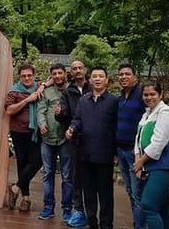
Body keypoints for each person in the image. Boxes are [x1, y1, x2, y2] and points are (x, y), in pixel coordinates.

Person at [66, 66, 119, 229]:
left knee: (105, 192)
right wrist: (72, 128)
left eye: (101, 76)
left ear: (107, 81)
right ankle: (92, 222)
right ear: (90, 80)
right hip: (85, 153)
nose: (97, 79)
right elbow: (77, 119)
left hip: (105, 154)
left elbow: (117, 126)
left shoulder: (114, 101)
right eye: (94, 76)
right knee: (88, 192)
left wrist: (115, 152)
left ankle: (106, 224)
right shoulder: (84, 100)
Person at [133, 81, 169, 229]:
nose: (149, 97)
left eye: (153, 94)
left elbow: (159, 142)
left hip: (163, 166)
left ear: (160, 94)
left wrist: (140, 162)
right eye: (146, 94)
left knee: (149, 205)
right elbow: (138, 140)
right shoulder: (147, 114)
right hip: (149, 167)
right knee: (163, 209)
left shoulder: (166, 112)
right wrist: (137, 160)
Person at [5, 63, 45, 212]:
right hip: (18, 133)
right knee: (22, 164)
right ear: (19, 77)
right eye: (23, 76)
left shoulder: (40, 88)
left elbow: (52, 80)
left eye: (29, 75)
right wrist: (27, 100)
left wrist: (42, 86)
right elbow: (9, 110)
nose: (27, 78)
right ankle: (26, 199)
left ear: (33, 76)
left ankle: (15, 188)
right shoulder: (14, 91)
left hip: (35, 132)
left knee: (36, 161)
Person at [56, 59, 90, 227]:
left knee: (91, 177)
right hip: (74, 139)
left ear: (85, 70)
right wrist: (59, 113)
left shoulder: (94, 88)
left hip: (93, 139)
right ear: (71, 72)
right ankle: (78, 209)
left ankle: (92, 211)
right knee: (75, 175)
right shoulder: (68, 92)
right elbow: (64, 113)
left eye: (80, 68)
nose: (77, 71)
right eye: (74, 68)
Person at [36, 63, 72, 222]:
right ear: (51, 76)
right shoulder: (46, 92)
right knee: (48, 173)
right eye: (54, 74)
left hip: (65, 139)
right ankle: (48, 207)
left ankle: (67, 208)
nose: (58, 76)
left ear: (65, 74)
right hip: (47, 139)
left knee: (67, 176)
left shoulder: (71, 91)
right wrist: (42, 124)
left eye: (60, 73)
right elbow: (41, 110)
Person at [115, 63, 145, 229]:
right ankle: (137, 223)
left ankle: (140, 225)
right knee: (130, 191)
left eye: (127, 74)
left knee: (137, 193)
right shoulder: (121, 97)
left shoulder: (142, 95)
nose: (124, 77)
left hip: (136, 153)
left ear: (135, 77)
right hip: (121, 150)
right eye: (121, 74)